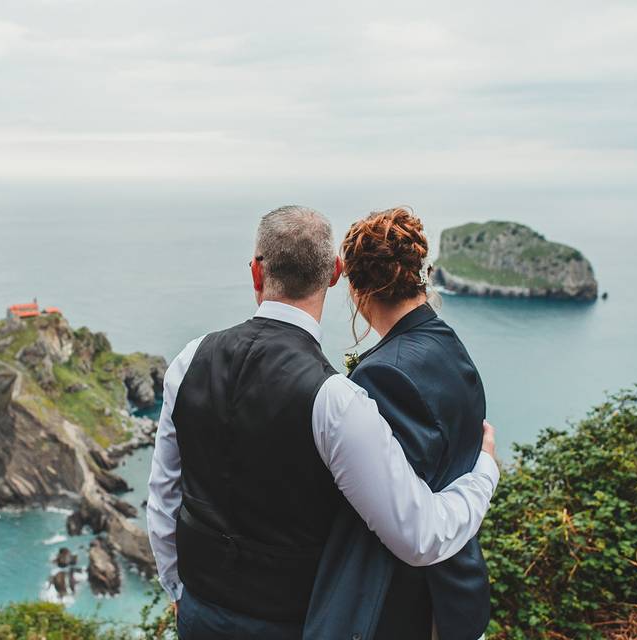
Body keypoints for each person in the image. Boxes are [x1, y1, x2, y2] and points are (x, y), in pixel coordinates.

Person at [147, 205, 499, 639]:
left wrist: (178, 590)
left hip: (199, 614)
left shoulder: (188, 360)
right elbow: (418, 534)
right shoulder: (336, 400)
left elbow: (164, 495)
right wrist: (484, 473)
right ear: (334, 274)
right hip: (292, 623)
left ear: (257, 273)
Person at [305, 207, 492, 640]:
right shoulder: (450, 346)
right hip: (459, 585)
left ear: (355, 288)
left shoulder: (383, 374)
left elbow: (396, 512)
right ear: (417, 273)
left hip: (409, 604)